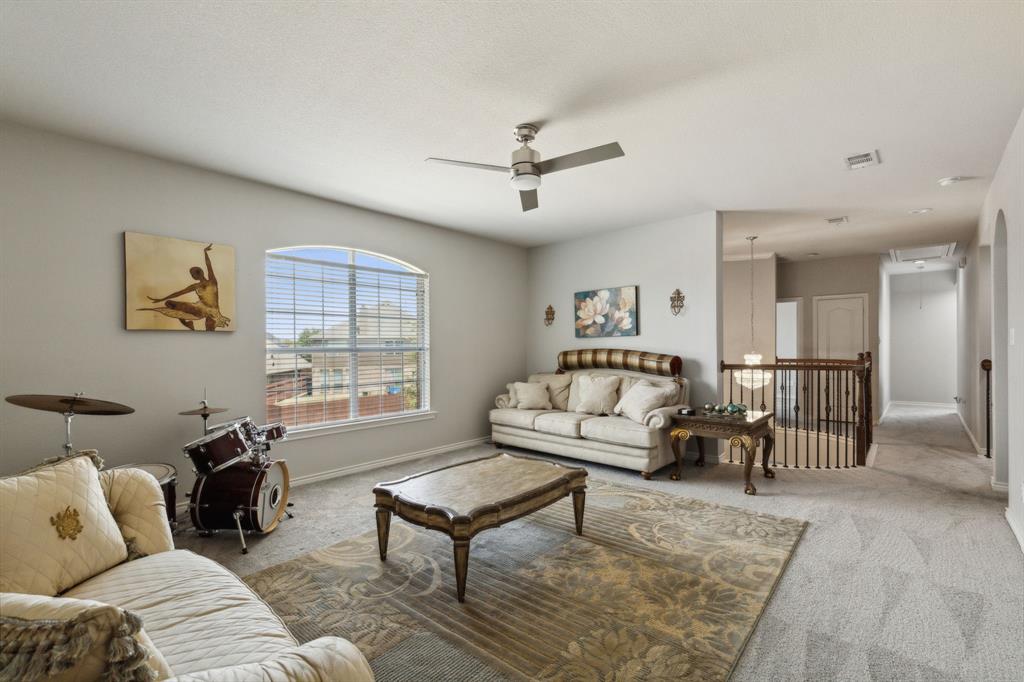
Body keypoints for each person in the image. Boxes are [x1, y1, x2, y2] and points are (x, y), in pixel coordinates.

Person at [138, 244, 230, 330]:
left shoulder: (209, 282)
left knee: (169, 304)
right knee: (169, 304)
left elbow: (208, 265)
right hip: (200, 308)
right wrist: (205, 252)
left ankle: (188, 324)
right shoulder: (208, 282)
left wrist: (161, 299)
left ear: (194, 276)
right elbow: (208, 265)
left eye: (193, 274)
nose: (193, 276)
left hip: (207, 311)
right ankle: (188, 324)